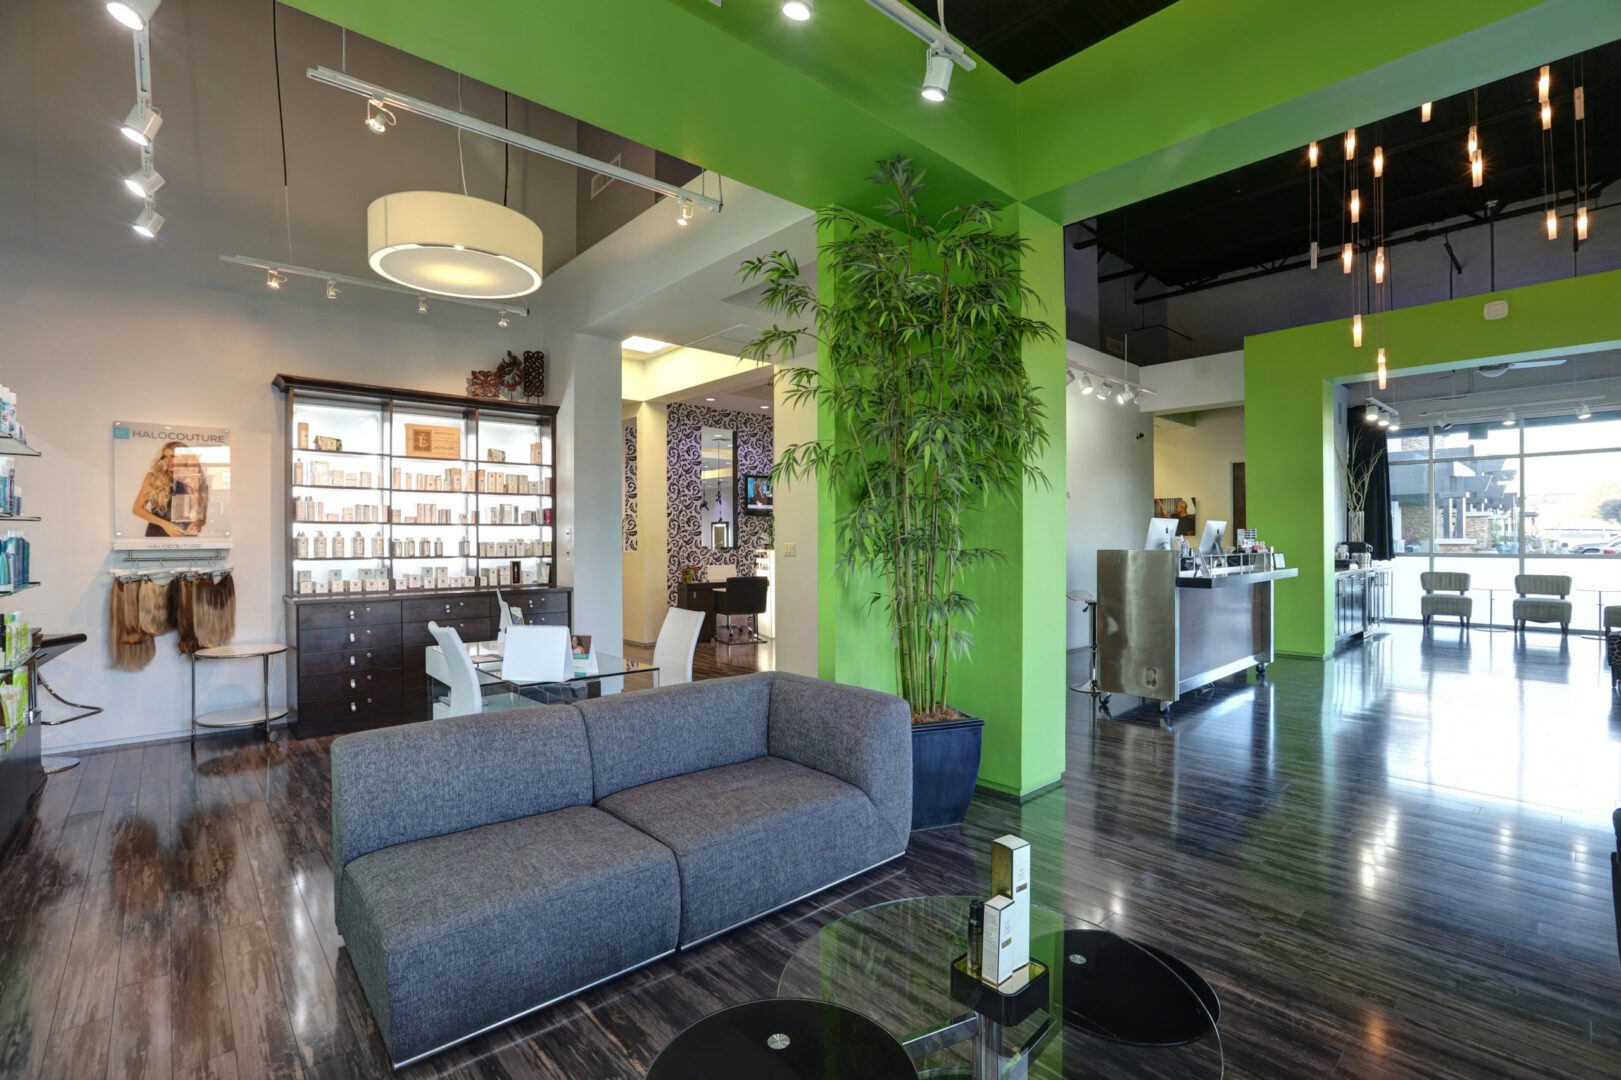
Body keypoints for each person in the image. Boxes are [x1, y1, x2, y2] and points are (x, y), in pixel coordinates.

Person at [131, 440, 207, 537]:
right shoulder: (154, 477)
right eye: (165, 457)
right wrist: (165, 525)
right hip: (158, 534)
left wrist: (197, 524)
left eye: (173, 456)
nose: (168, 461)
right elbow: (137, 509)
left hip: (186, 536)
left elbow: (202, 517)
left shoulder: (196, 479)